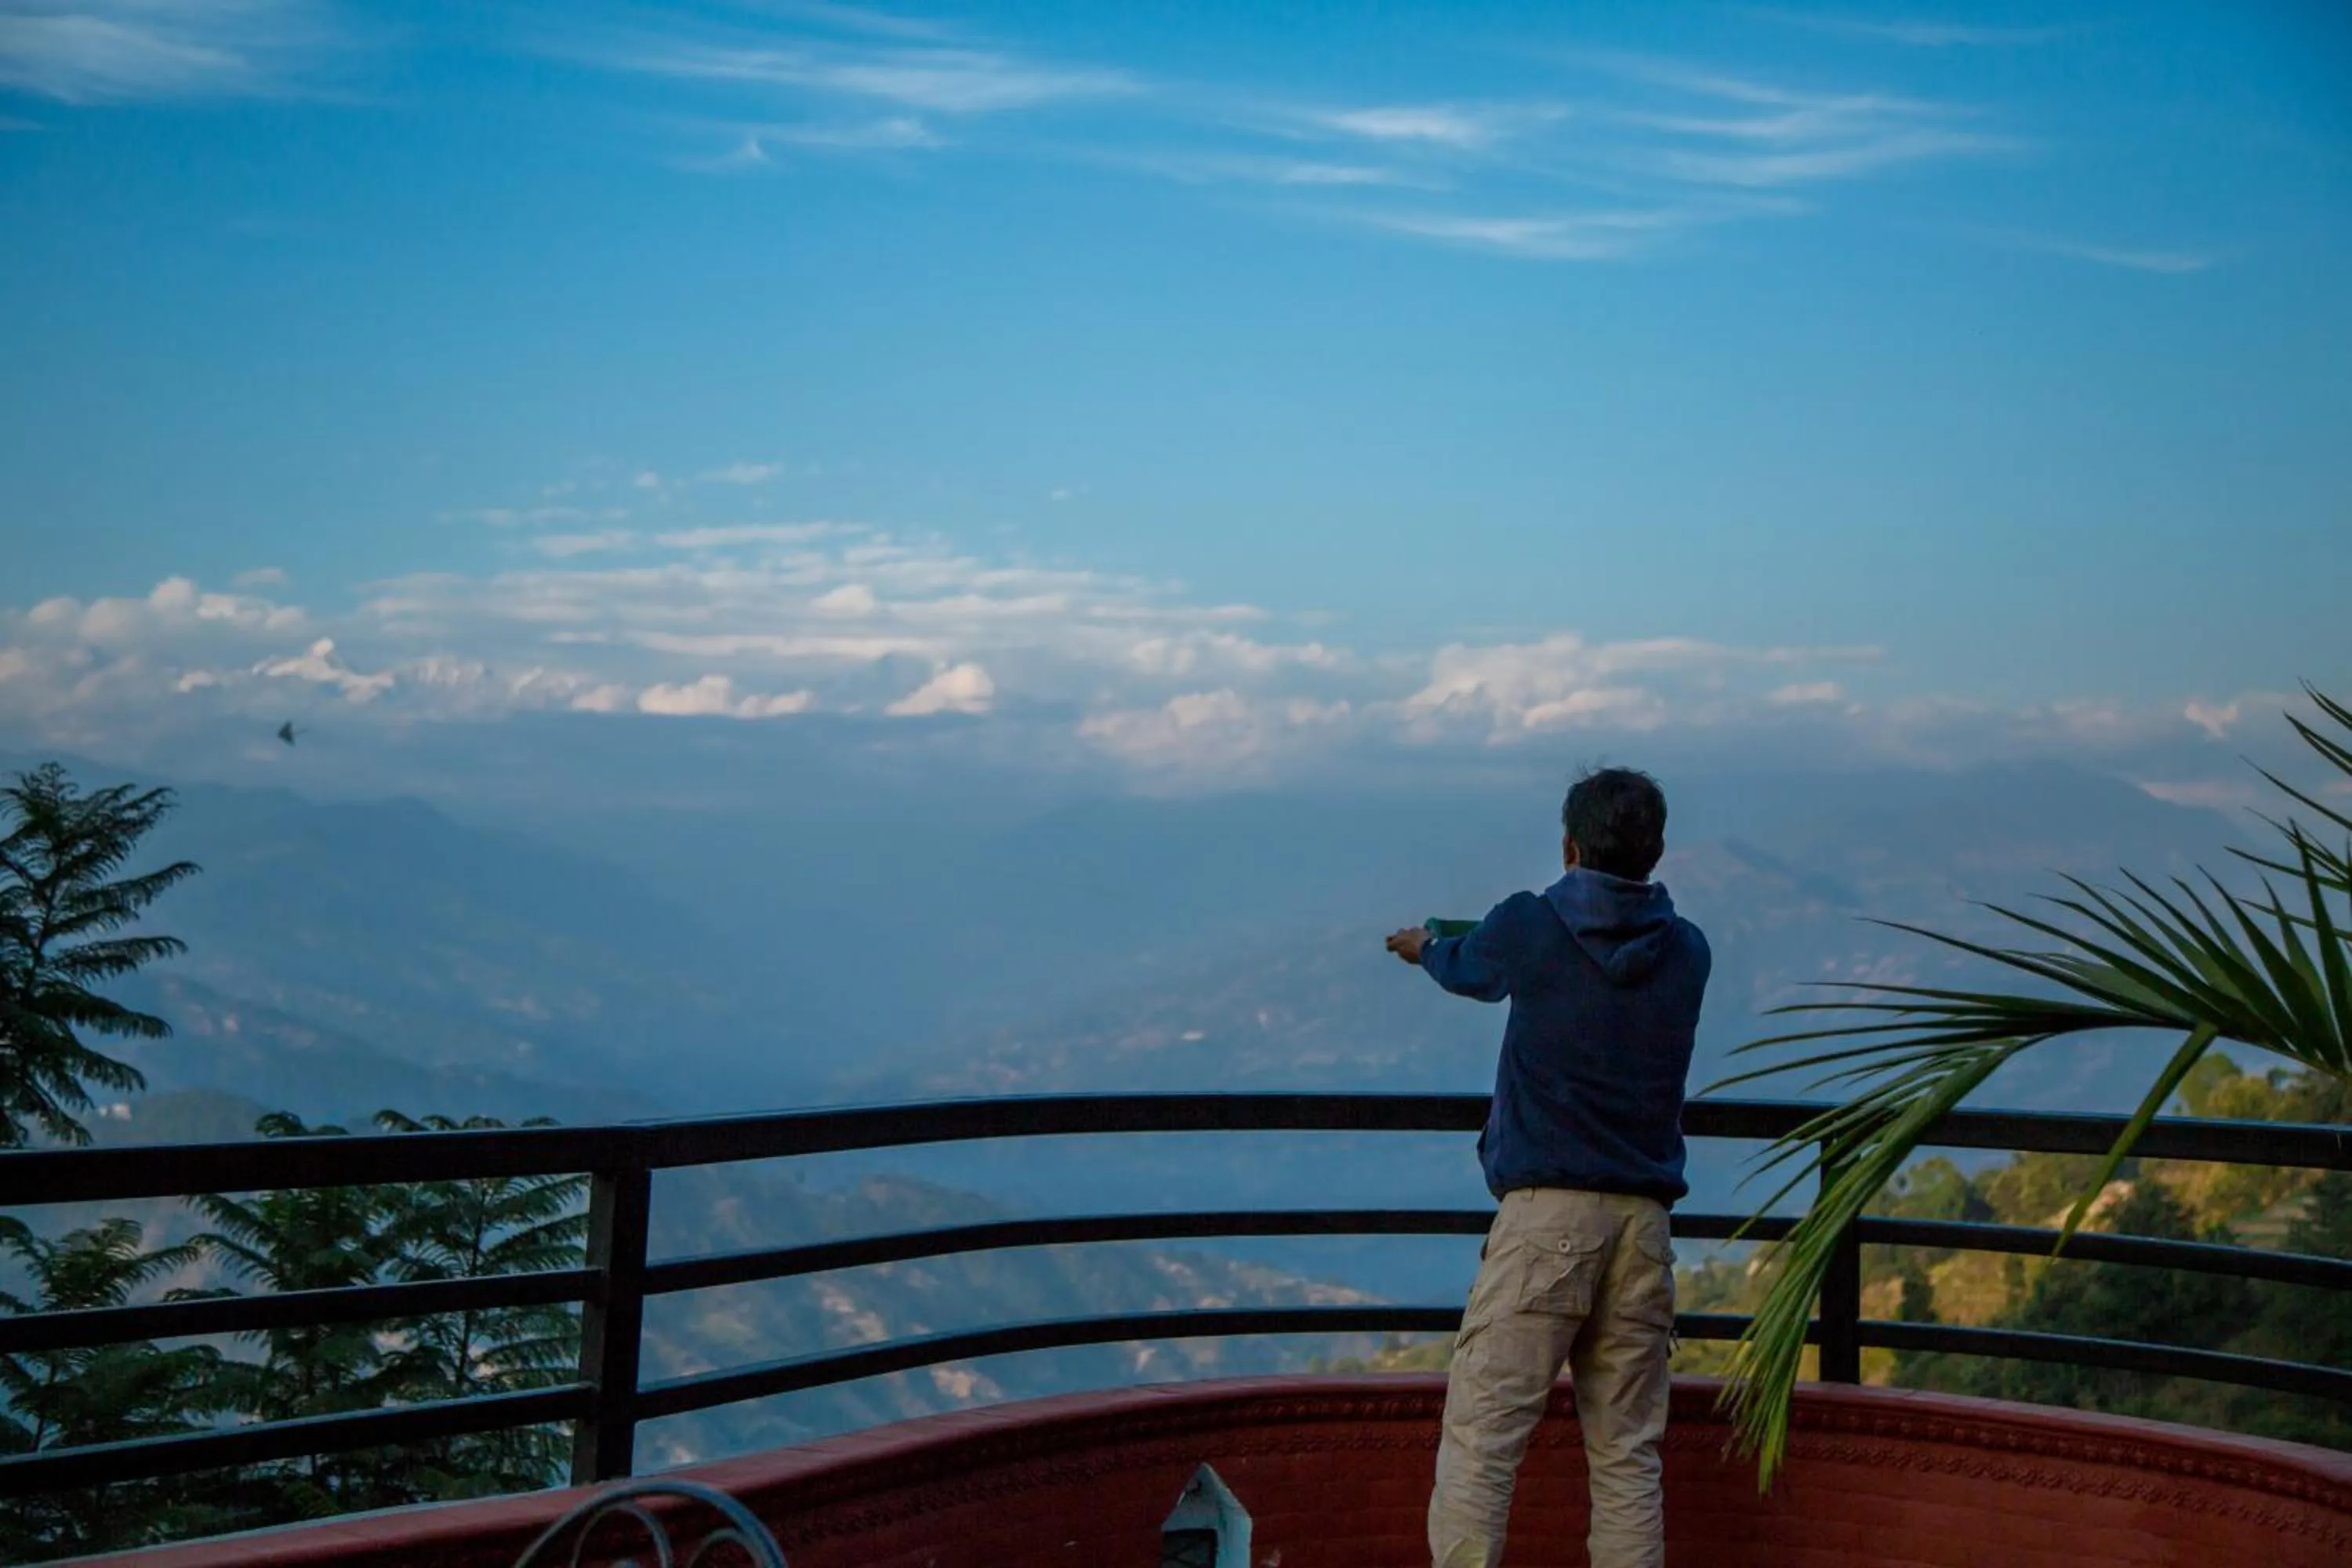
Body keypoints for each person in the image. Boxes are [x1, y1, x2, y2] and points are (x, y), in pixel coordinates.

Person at [1385, 766, 1711, 1568]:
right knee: (1628, 1453)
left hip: (1545, 1220)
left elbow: (1470, 966)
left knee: (1483, 1443)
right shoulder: (1689, 950)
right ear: (1657, 849)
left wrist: (1426, 946)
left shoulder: (1528, 925)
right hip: (1644, 1227)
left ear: (1568, 844)